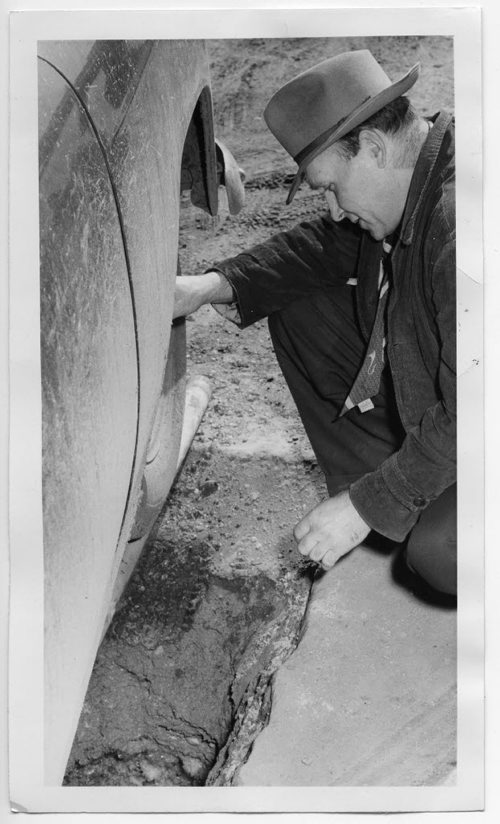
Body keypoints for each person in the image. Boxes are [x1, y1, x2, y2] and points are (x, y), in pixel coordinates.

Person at [174, 49, 457, 597]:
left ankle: (391, 505)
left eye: (330, 187)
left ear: (373, 148)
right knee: (299, 303)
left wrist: (366, 507)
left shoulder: (462, 224)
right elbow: (325, 246)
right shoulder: (415, 178)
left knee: (441, 553)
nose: (330, 207)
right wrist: (209, 285)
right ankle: (394, 494)